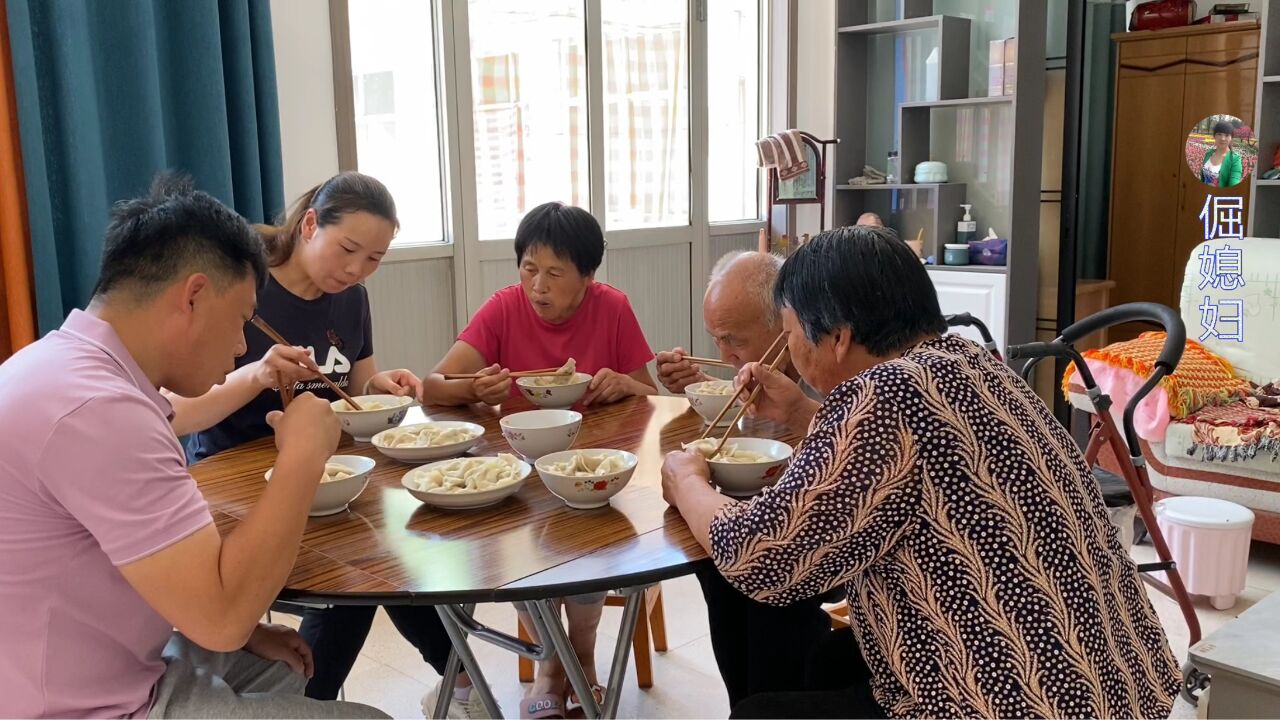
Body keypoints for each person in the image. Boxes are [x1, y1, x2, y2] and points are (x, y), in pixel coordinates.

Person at [661, 225, 1180, 718]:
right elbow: (917, 462)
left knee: (760, 713)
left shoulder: (882, 395)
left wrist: (687, 479)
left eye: (793, 332)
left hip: (1012, 699)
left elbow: (762, 557)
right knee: (820, 661)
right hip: (1123, 687)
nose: (791, 348)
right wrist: (801, 414)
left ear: (838, 336)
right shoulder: (971, 363)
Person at [0, 176, 386, 718]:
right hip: (81, 704)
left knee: (288, 665)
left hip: (112, 657)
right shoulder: (99, 413)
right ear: (194, 295)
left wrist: (245, 629)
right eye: (240, 321)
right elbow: (221, 618)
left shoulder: (70, 368)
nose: (237, 347)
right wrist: (303, 454)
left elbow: (164, 572)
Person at [178, 173, 477, 718]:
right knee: (361, 575)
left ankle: (455, 681)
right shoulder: (249, 288)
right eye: (348, 250)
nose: (356, 270)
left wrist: (381, 388)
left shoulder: (352, 301)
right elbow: (177, 408)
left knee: (390, 558)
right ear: (310, 224)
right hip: (238, 483)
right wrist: (259, 376)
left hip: (327, 476)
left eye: (374, 259)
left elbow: (356, 390)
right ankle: (451, 681)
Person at [424, 201, 657, 716]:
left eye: (554, 273)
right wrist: (473, 390)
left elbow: (652, 393)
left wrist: (625, 383)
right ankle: (555, 665)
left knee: (589, 547)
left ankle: (584, 659)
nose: (538, 287)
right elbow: (433, 385)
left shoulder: (612, 306)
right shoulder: (504, 308)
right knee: (519, 551)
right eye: (529, 269)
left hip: (590, 472)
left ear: (588, 276)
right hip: (520, 474)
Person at [654, 251, 833, 708]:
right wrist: (695, 391)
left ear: (784, 324)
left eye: (733, 339)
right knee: (718, 568)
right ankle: (749, 700)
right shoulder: (767, 374)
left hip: (824, 546)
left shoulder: (836, 368)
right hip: (785, 527)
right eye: (716, 340)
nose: (723, 356)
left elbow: (772, 548)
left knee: (759, 580)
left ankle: (763, 705)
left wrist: (688, 485)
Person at [1201, 120, 1243, 188]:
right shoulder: (1209, 154)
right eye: (1219, 134)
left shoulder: (1235, 159)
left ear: (1231, 138)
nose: (1223, 138)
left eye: (1227, 135)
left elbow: (1234, 182)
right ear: (1214, 136)